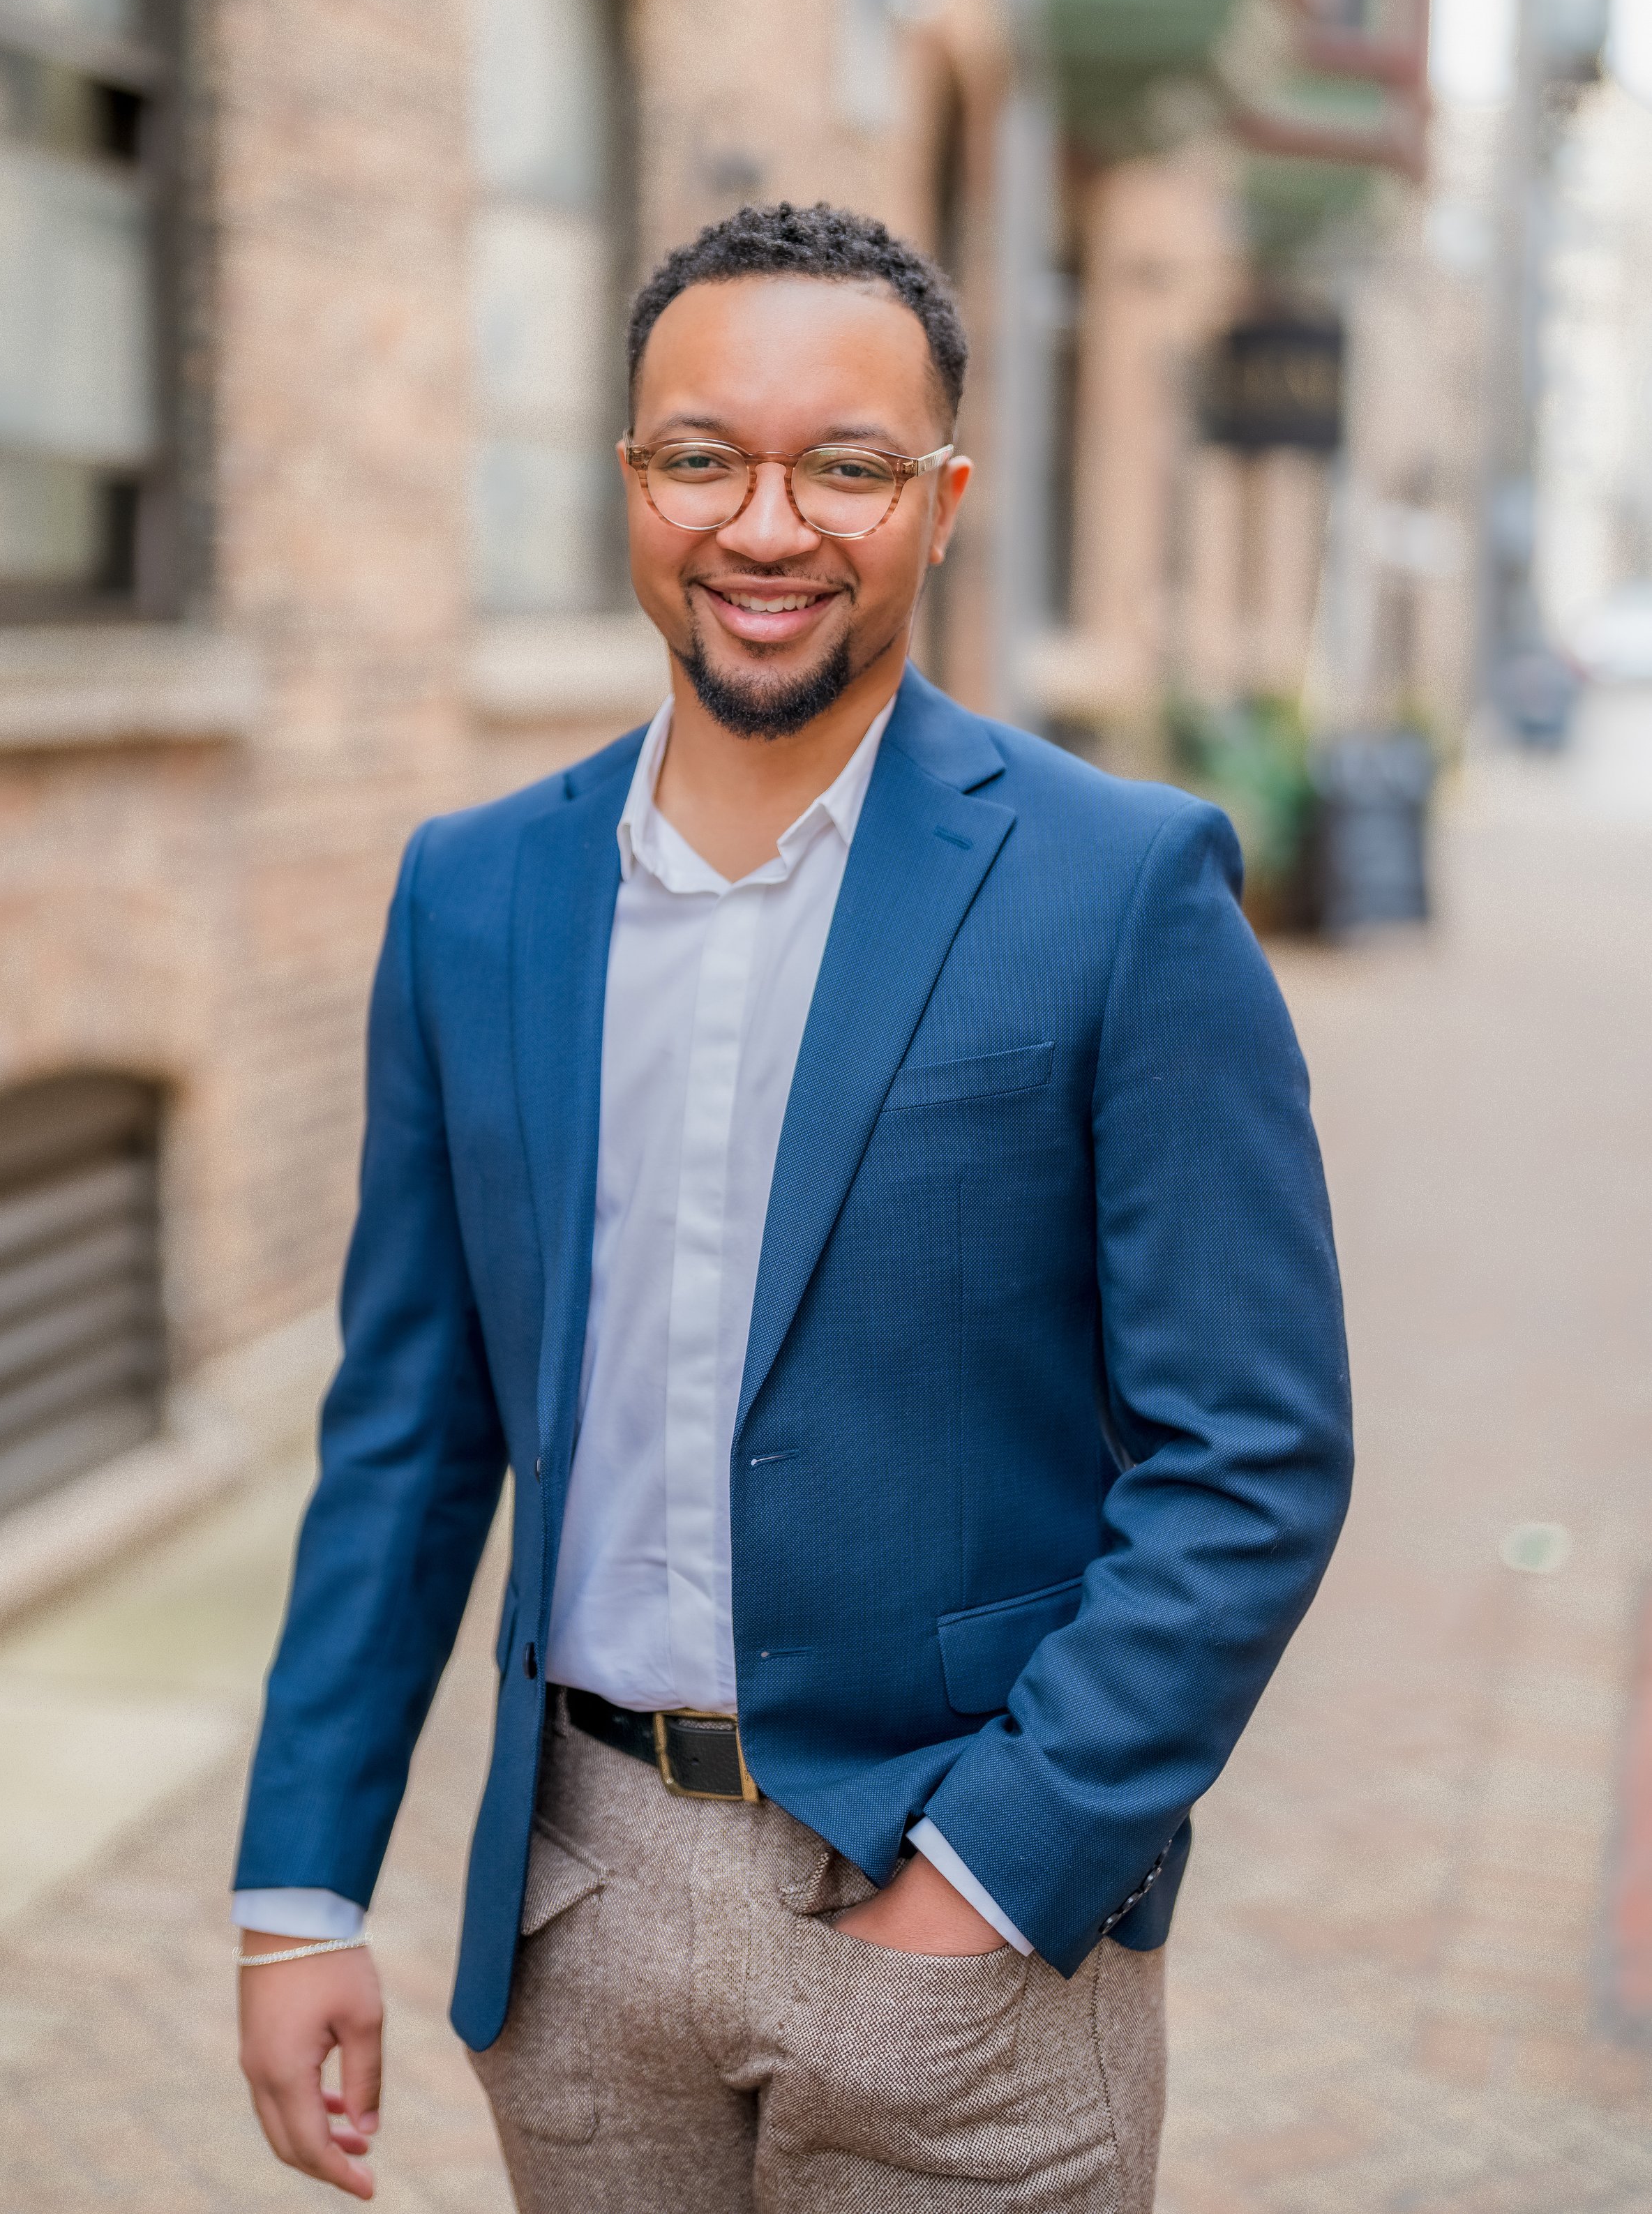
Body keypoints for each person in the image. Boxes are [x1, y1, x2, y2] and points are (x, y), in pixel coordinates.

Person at [234, 201, 1351, 2210]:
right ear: (630, 482)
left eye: (843, 466)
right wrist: (299, 1888)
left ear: (938, 501)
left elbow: (1250, 1454)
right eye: (700, 457)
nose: (765, 525)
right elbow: (407, 1434)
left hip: (957, 1914)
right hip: (575, 1914)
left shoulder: (1120, 886)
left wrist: (996, 1871)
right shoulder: (470, 892)